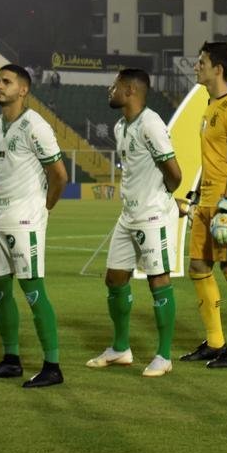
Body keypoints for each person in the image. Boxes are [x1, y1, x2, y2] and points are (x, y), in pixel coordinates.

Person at [0, 64, 69, 387]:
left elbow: (59, 176)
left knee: (33, 292)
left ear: (23, 90)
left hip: (24, 220)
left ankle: (52, 366)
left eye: (7, 81)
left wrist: (45, 209)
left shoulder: (35, 126)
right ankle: (10, 359)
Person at [86, 68, 184, 377]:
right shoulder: (121, 127)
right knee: (115, 277)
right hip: (128, 215)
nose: (109, 91)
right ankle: (120, 348)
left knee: (158, 280)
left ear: (130, 90)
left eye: (114, 86)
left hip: (153, 214)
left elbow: (175, 173)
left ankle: (164, 355)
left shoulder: (151, 124)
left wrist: (163, 198)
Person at [180, 42, 227, 368]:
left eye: (201, 62)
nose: (196, 67)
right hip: (206, 199)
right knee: (198, 266)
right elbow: (212, 160)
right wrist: (197, 195)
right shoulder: (210, 106)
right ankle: (214, 342)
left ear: (217, 69)